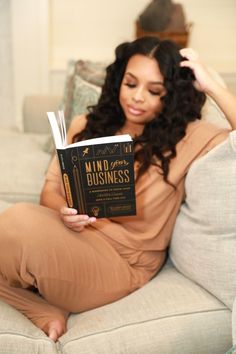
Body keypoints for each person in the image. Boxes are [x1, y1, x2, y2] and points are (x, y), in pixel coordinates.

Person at [0, 37, 236, 342]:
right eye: (130, 84)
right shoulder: (86, 124)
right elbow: (50, 191)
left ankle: (37, 298)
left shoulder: (189, 138)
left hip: (125, 261)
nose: (137, 98)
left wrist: (214, 87)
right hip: (75, 235)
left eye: (154, 91)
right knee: (12, 223)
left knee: (15, 224)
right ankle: (42, 308)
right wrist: (64, 211)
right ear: (118, 81)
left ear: (171, 95)